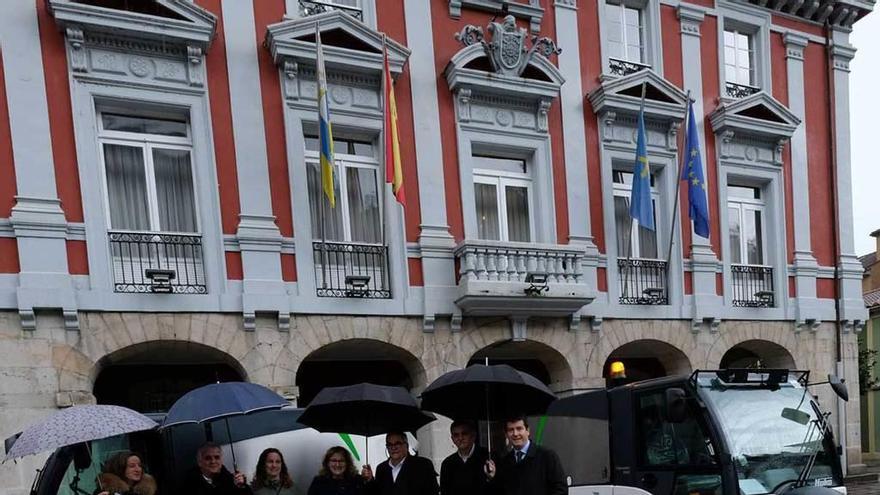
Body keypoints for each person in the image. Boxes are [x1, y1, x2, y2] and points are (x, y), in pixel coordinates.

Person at [485, 415, 565, 495]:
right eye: (511, 430)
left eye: (519, 428)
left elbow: (560, 489)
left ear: (527, 431)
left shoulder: (547, 456)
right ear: (506, 434)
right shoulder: (505, 462)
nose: (515, 434)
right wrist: (492, 478)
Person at [362, 431, 439, 495]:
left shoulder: (423, 465)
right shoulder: (381, 468)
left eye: (397, 443)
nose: (393, 447)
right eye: (389, 444)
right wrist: (370, 481)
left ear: (406, 445)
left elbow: (433, 491)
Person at [179, 442, 253, 495]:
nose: (213, 461)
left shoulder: (229, 479)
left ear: (221, 460)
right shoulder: (189, 484)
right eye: (208, 458)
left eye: (217, 457)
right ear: (199, 462)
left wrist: (242, 486)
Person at [440, 420, 490, 495]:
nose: (460, 438)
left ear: (473, 436)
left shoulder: (488, 457)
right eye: (456, 435)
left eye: (464, 433)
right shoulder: (447, 464)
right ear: (452, 439)